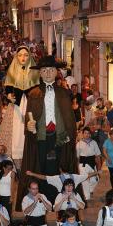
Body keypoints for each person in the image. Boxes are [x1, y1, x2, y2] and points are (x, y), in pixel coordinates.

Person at [18, 55, 77, 209]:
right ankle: (40, 200)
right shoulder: (33, 93)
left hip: (59, 136)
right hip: (41, 137)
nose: (48, 73)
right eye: (45, 70)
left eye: (51, 70)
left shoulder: (64, 93)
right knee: (41, 167)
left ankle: (58, 199)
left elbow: (69, 118)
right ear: (40, 73)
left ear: (56, 72)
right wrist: (29, 125)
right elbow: (28, 118)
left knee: (57, 167)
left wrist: (69, 136)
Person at [0, 45, 39, 169]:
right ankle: (15, 158)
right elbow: (8, 86)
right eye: (20, 55)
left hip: (31, 103)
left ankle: (30, 154)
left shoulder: (35, 70)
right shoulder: (12, 69)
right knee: (16, 129)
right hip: (16, 104)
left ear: (29, 56)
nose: (23, 57)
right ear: (16, 57)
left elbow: (37, 87)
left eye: (25, 55)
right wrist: (9, 95)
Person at [76, 126, 101, 200]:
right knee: (85, 181)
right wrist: (77, 168)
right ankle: (86, 198)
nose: (87, 135)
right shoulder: (79, 144)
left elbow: (98, 156)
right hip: (83, 165)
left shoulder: (94, 143)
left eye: (88, 133)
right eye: (85, 133)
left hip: (92, 163)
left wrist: (99, 167)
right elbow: (77, 157)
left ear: (90, 134)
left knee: (95, 180)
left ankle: (90, 191)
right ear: (82, 134)